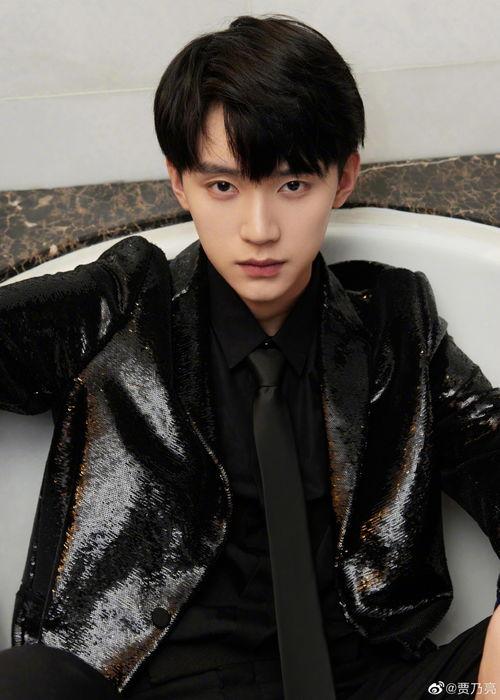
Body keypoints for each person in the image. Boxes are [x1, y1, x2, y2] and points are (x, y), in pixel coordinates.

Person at [0, 13, 499, 700]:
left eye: (292, 186)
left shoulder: (396, 325)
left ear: (343, 178)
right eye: (223, 187)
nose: (259, 230)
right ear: (179, 183)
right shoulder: (125, 306)